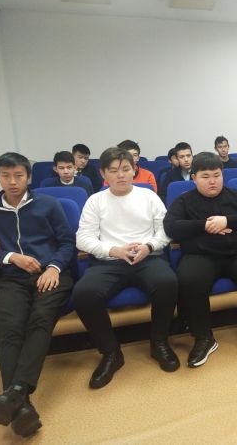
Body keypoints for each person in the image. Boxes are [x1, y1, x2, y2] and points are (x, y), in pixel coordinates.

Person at [72, 147, 179, 389]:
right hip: (109, 261)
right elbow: (83, 239)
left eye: (125, 169)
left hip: (147, 258)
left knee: (168, 283)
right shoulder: (95, 201)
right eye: (113, 171)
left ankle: (159, 342)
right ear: (103, 174)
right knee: (84, 294)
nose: (120, 175)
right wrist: (114, 250)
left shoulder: (149, 196)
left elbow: (165, 231)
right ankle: (111, 353)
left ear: (134, 170)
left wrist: (149, 247)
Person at [164, 152, 237, 365]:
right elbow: (171, 227)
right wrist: (205, 225)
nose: (212, 181)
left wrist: (226, 220)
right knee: (190, 280)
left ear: (223, 174)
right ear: (194, 178)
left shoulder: (234, 196)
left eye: (216, 175)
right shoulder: (184, 200)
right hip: (200, 255)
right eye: (205, 176)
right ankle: (203, 337)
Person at [0, 152, 75, 437]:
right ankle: (21, 403)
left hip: (51, 274)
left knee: (41, 318)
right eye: (6, 176)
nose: (12, 181)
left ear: (29, 177)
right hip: (12, 277)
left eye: (18, 175)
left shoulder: (48, 204)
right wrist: (11, 257)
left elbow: (67, 243)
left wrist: (53, 267)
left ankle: (15, 393)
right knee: (9, 328)